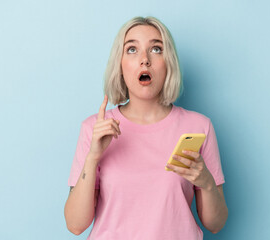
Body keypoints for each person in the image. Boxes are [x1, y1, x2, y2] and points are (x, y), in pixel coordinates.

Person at [64, 16, 228, 240]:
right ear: (120, 64)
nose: (144, 60)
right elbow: (75, 225)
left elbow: (215, 224)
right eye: (132, 49)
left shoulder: (198, 127)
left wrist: (207, 183)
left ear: (168, 62)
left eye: (156, 49)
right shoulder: (95, 128)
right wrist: (92, 157)